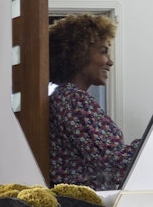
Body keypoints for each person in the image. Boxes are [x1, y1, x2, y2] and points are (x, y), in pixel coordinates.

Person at [49, 14, 140, 190]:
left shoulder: (66, 98)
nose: (110, 62)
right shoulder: (74, 100)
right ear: (78, 54)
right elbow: (115, 163)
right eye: (103, 51)